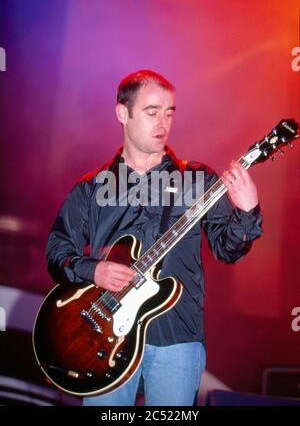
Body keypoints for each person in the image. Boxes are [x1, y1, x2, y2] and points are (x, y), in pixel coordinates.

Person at [46, 69, 263, 406]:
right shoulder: (92, 187)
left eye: (169, 112)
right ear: (123, 113)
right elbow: (58, 251)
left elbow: (227, 249)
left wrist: (247, 214)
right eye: (152, 111)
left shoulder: (197, 180)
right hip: (102, 337)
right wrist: (94, 271)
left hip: (176, 334)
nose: (163, 122)